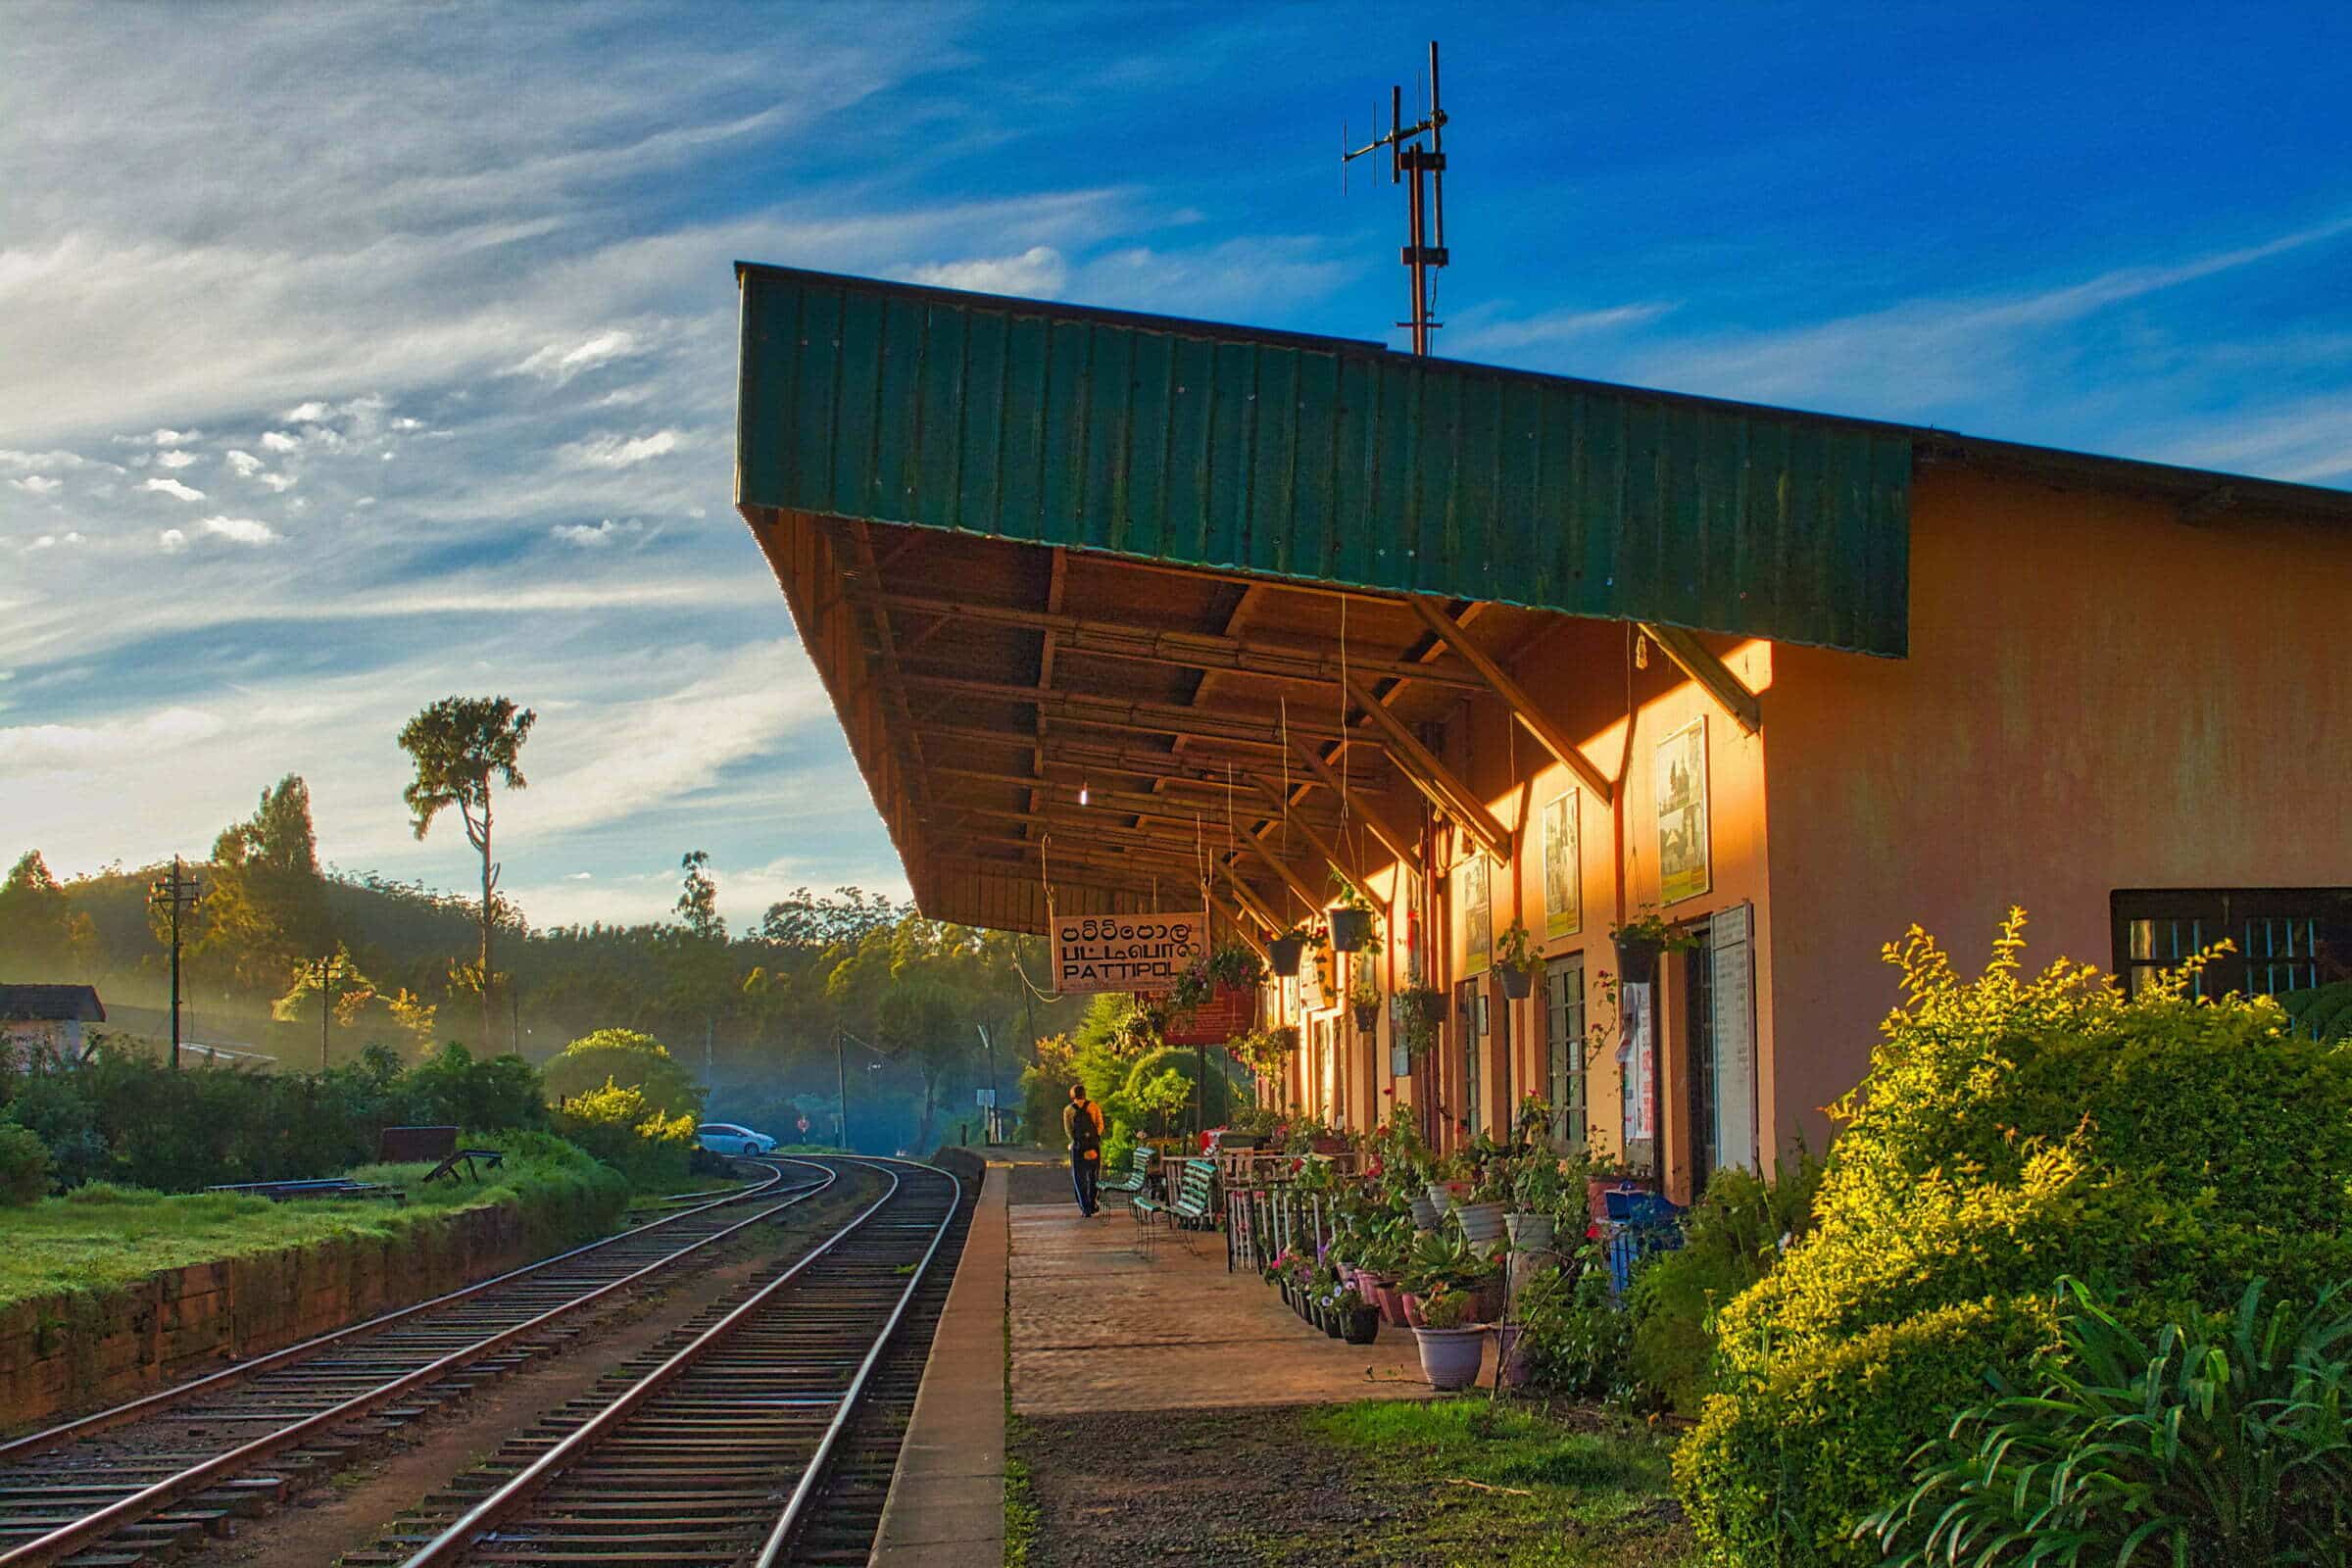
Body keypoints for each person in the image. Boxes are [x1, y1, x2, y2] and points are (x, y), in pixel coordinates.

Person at [1062, 1082, 1105, 1216]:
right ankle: (1093, 1203)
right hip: (1093, 1146)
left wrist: (1078, 1140)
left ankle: (1085, 1208)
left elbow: (1068, 1130)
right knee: (1094, 1176)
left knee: (1079, 1177)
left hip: (1078, 1147)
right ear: (1084, 1094)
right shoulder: (1094, 1106)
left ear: (1072, 1095)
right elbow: (1100, 1125)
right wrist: (1093, 1138)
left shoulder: (1068, 1110)